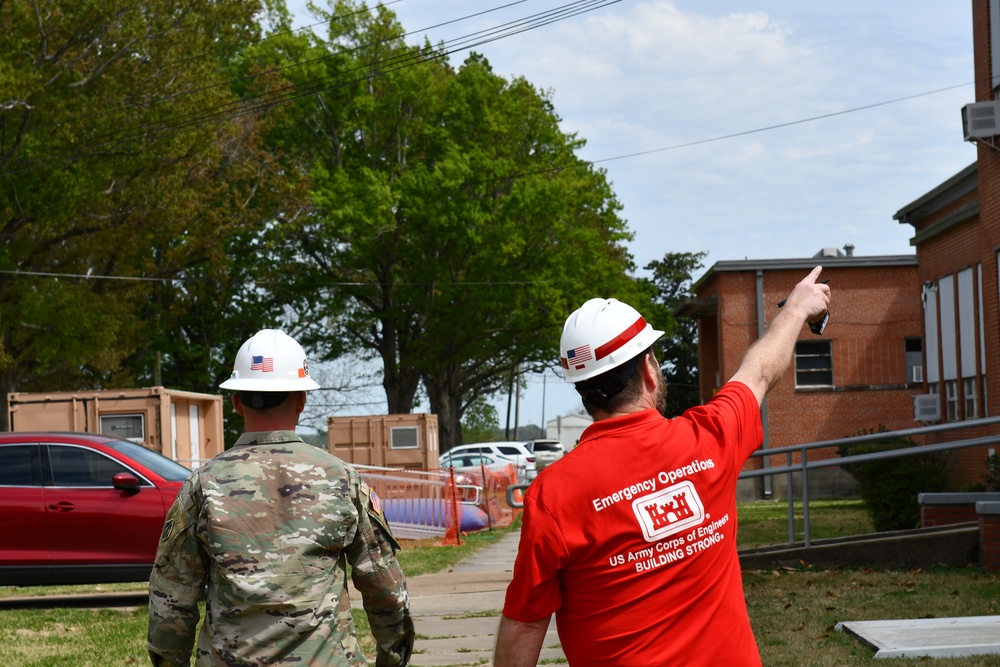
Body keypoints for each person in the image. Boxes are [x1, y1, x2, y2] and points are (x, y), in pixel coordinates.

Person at [494, 267, 831, 666]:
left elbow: (526, 624)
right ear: (647, 369)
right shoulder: (711, 438)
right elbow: (759, 371)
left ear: (584, 391)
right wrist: (796, 309)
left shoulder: (554, 494)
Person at [148, 329, 414, 667]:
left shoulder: (203, 485)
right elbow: (385, 588)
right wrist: (392, 658)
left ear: (236, 401)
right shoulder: (342, 481)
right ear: (302, 400)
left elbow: (172, 597)